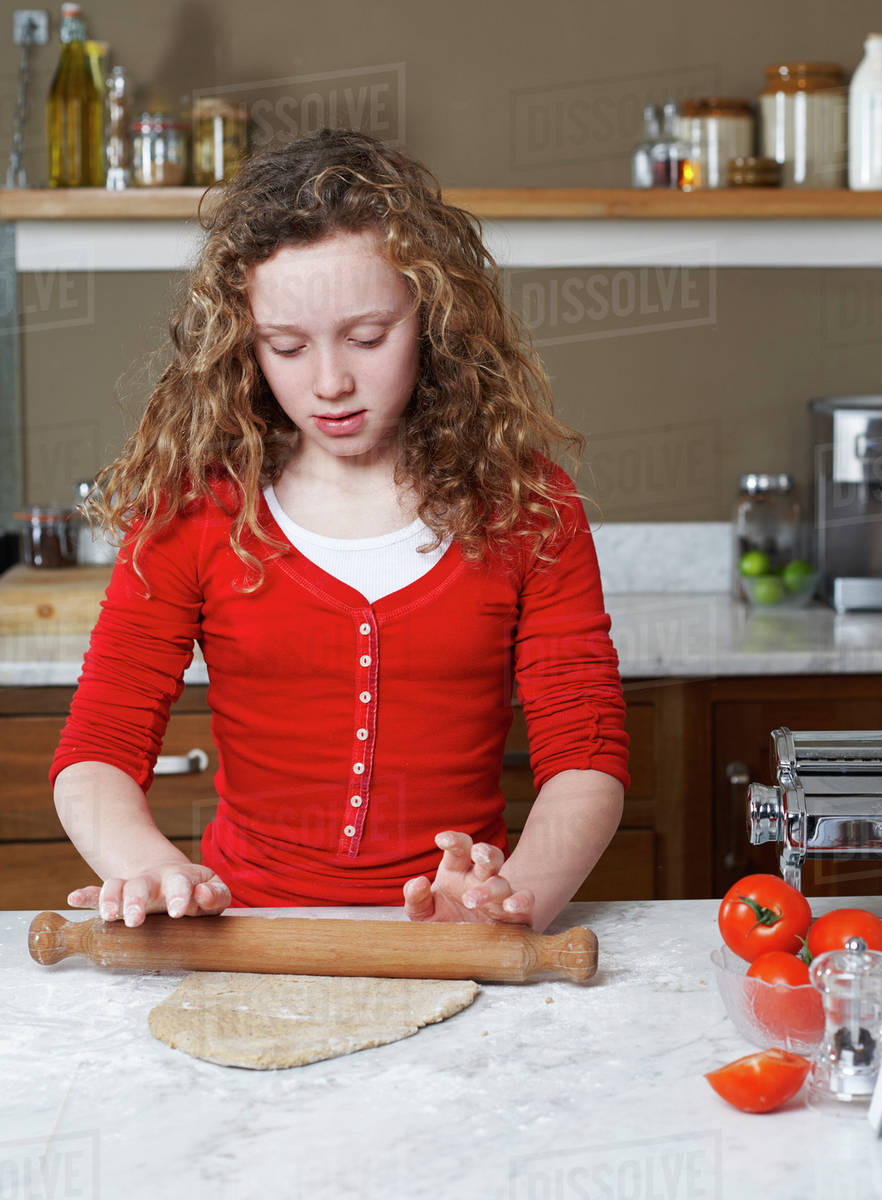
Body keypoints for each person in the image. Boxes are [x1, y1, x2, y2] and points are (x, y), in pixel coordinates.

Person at [50, 128, 629, 935]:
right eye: (285, 346)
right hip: (244, 937)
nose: (330, 383)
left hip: (454, 937)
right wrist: (147, 867)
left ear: (432, 319)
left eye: (367, 337)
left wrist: (509, 900)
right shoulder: (193, 510)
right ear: (243, 345)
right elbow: (98, 748)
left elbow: (585, 755)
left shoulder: (529, 508)